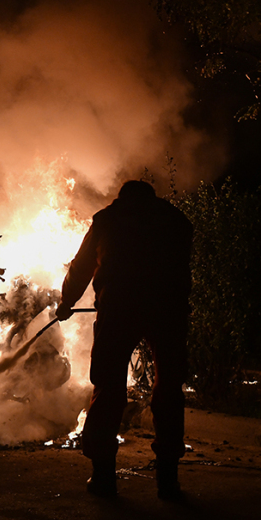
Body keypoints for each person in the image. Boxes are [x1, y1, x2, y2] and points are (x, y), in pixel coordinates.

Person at [56, 180, 193, 500]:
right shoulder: (176, 220)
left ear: (123, 198)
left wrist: (67, 302)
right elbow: (182, 267)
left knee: (108, 387)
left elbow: (81, 267)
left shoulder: (107, 220)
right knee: (170, 388)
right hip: (167, 310)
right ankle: (168, 480)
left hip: (118, 309)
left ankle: (103, 477)